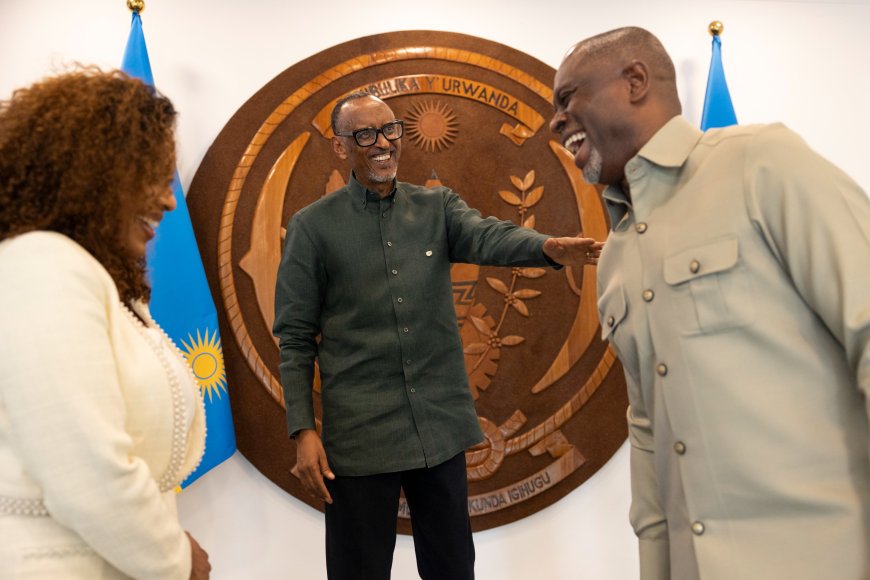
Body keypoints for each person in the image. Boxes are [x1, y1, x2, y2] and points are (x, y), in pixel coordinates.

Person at [550, 26, 870, 580]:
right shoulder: (616, 257)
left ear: (635, 80)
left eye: (567, 98)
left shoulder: (761, 165)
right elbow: (647, 431)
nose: (555, 122)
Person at [273, 91, 603, 579]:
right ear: (341, 147)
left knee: (453, 569)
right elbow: (296, 338)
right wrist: (303, 431)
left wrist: (547, 248)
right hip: (361, 438)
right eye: (365, 134)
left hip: (439, 430)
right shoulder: (312, 227)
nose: (383, 143)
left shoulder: (436, 206)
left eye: (390, 130)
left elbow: (488, 235)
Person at [0, 68, 211, 579]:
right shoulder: (42, 263)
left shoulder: (104, 283)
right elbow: (84, 470)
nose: (169, 200)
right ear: (95, 173)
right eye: (153, 176)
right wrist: (176, 560)